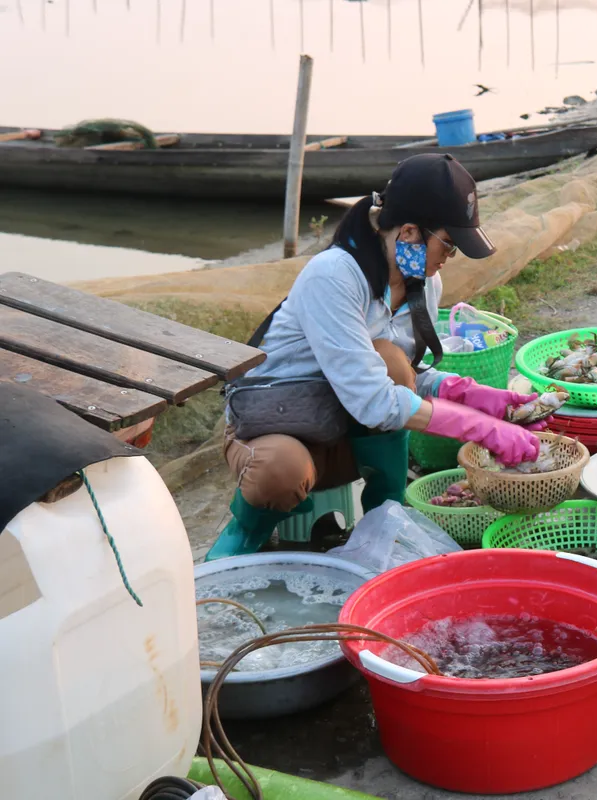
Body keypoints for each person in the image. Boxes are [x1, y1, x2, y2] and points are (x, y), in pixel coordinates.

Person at [206, 154, 544, 561]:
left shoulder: (423, 282)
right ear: (409, 232)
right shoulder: (334, 276)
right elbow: (376, 401)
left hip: (344, 423)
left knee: (391, 361)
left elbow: (406, 375)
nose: (447, 259)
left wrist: (480, 397)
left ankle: (386, 519)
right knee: (282, 471)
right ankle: (243, 538)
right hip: (278, 423)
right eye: (448, 245)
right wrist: (479, 429)